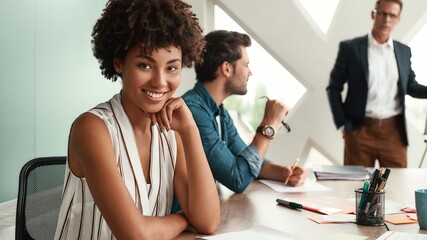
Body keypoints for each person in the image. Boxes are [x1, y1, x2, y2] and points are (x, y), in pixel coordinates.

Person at [54, 0, 220, 239]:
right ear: (119, 63)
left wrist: (190, 129)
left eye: (172, 68)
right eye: (145, 65)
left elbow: (208, 221)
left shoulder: (172, 132)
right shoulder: (92, 128)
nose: (160, 82)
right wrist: (184, 218)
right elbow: (136, 236)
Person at [182, 30, 306, 193]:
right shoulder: (194, 112)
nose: (250, 72)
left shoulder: (219, 112)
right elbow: (238, 178)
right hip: (181, 216)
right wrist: (268, 125)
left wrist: (285, 172)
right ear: (226, 68)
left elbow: (248, 162)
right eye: (246, 65)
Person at [326, 0, 427, 168]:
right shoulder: (351, 48)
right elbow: (334, 87)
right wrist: (342, 123)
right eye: (383, 13)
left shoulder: (403, 51)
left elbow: (410, 86)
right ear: (374, 14)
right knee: (356, 188)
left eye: (392, 15)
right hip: (359, 131)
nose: (386, 19)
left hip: (393, 132)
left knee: (397, 186)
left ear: (398, 19)